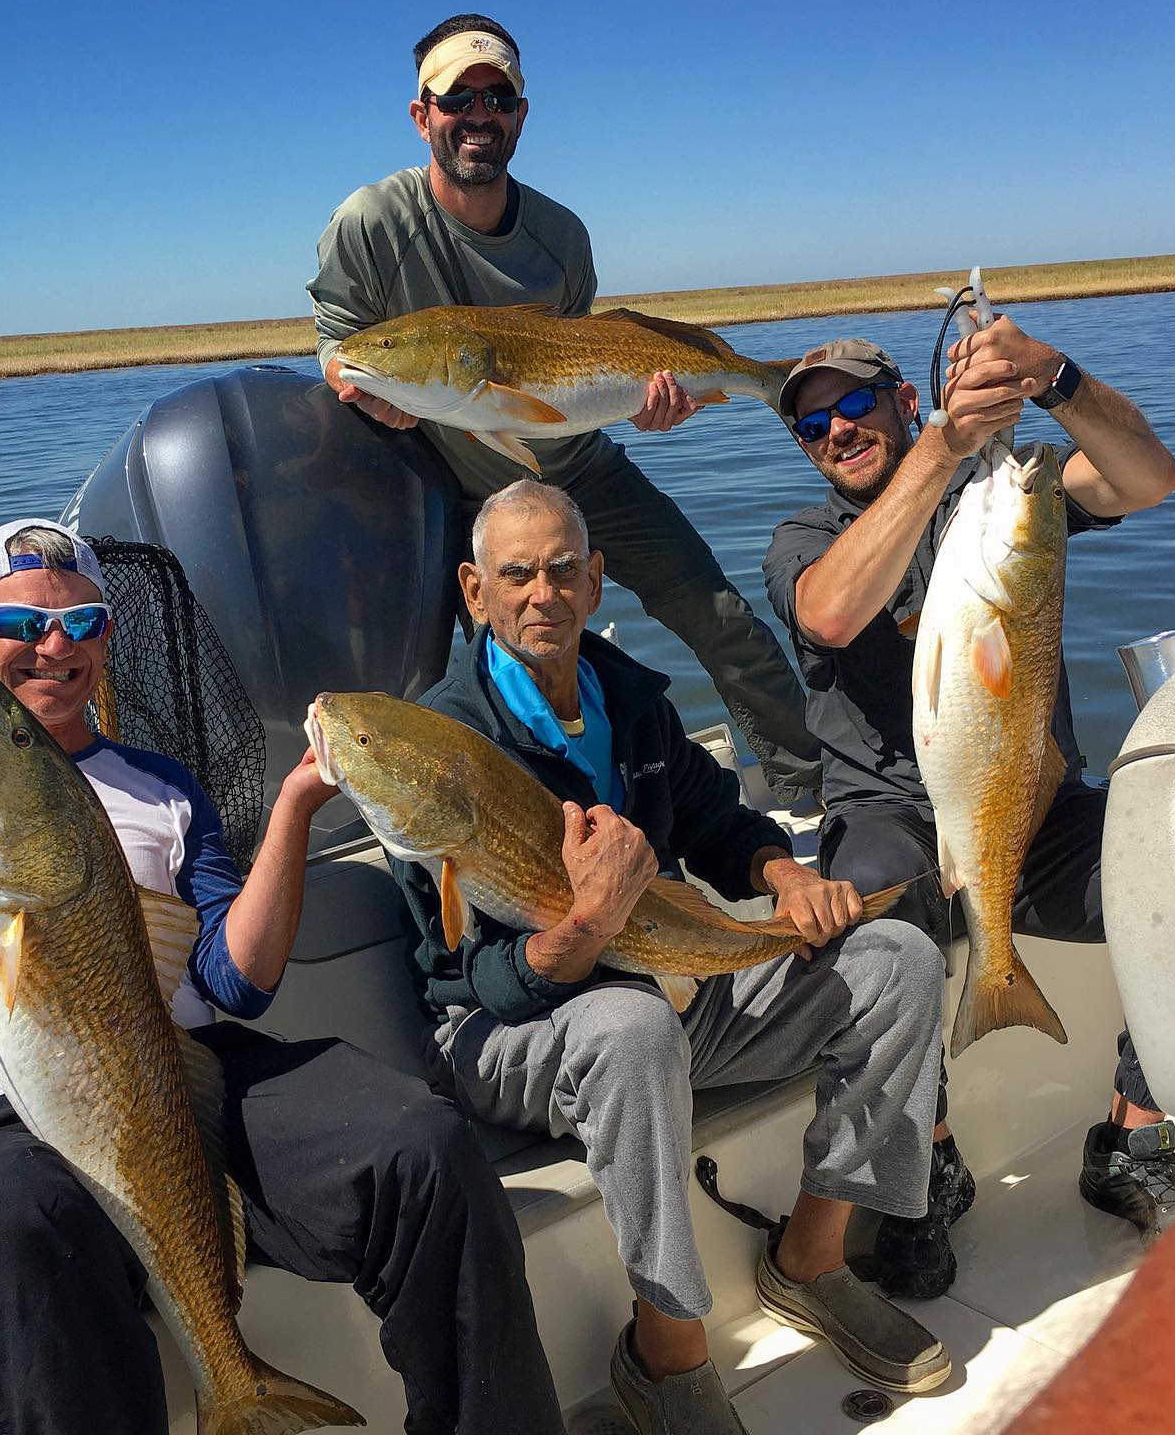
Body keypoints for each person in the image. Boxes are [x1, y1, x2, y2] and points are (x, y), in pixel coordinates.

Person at [0, 518, 564, 1435]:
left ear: (107, 635)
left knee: (423, 1142)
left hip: (183, 1071)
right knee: (13, 1228)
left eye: (83, 622)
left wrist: (295, 807)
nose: (53, 648)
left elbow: (235, 980)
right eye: (20, 626)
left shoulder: (165, 786)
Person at [390, 480, 955, 1434]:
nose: (543, 594)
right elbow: (468, 980)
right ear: (473, 590)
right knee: (630, 1023)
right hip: (508, 1033)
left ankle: (810, 1260)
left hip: (658, 989)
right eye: (516, 574)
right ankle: (666, 1348)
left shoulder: (629, 698)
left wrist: (782, 875)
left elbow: (718, 820)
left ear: (597, 580)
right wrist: (586, 928)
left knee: (897, 955)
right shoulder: (440, 746)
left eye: (564, 569)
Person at [762, 315, 1175, 1301]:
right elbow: (832, 612)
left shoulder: (1006, 496)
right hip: (893, 820)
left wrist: (1054, 375)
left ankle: (1133, 1135)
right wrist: (943, 448)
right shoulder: (806, 540)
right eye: (812, 424)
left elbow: (1148, 479)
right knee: (872, 916)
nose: (836, 430)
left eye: (856, 404)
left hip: (1024, 815)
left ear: (904, 400)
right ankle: (930, 1164)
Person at [307, 12, 822, 807]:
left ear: (519, 112)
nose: (477, 114)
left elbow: (587, 371)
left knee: (719, 616)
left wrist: (649, 408)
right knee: (463, 681)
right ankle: (508, 839)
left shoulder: (560, 236)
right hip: (451, 493)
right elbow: (341, 349)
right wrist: (363, 386)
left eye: (497, 96)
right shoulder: (371, 225)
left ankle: (812, 795)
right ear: (423, 117)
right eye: (457, 99)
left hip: (583, 471)